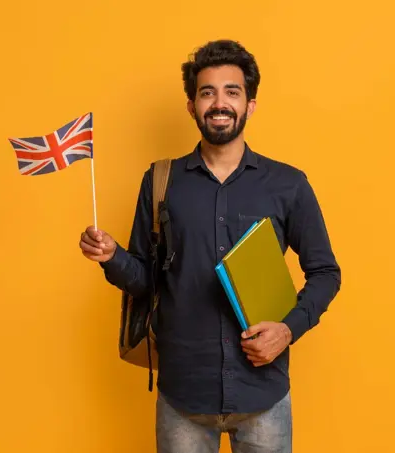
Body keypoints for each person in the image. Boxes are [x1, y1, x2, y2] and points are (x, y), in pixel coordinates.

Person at [79, 39, 341, 453]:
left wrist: (288, 330)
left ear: (250, 105)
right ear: (191, 105)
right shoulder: (161, 182)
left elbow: (326, 273)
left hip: (263, 394)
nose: (220, 103)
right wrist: (112, 256)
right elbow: (146, 280)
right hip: (183, 394)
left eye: (232, 92)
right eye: (207, 92)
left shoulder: (288, 184)